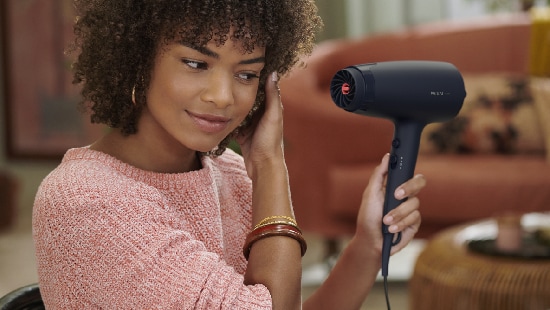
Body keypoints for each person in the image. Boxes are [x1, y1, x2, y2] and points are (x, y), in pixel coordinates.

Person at [32, 0, 425, 309]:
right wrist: (270, 164)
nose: (222, 96)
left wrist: (367, 247)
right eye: (195, 63)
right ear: (136, 58)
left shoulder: (230, 172)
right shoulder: (86, 201)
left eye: (246, 74)